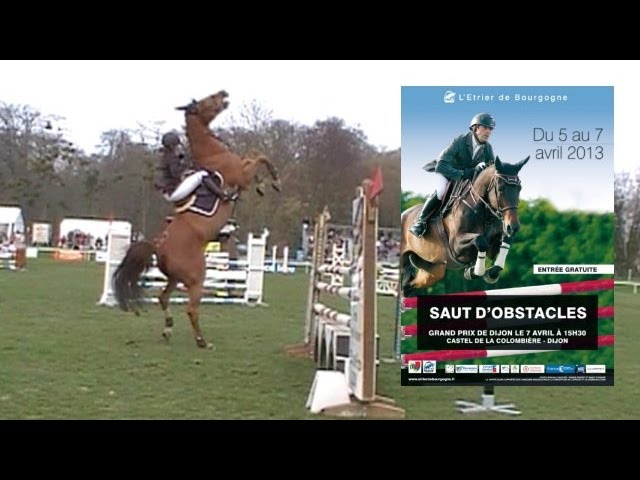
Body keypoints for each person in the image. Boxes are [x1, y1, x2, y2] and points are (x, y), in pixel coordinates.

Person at [408, 112, 497, 237]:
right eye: (485, 127)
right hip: (447, 170)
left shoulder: (487, 148)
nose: (488, 131)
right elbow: (442, 165)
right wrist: (465, 173)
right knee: (441, 191)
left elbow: (492, 170)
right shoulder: (460, 141)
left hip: (466, 176)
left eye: (491, 129)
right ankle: (420, 221)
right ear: (475, 128)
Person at [155, 131, 236, 203]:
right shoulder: (171, 157)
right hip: (173, 191)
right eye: (176, 145)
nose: (177, 147)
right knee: (202, 175)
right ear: (172, 145)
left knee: (196, 175)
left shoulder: (167, 156)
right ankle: (223, 196)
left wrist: (183, 161)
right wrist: (187, 164)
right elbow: (176, 173)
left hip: (170, 190)